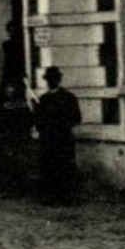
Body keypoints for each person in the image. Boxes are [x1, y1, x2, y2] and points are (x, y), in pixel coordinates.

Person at [34, 66, 81, 206]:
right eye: (49, 79)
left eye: (53, 79)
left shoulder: (68, 98)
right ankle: (50, 197)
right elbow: (38, 119)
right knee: (48, 168)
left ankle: (66, 197)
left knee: (65, 167)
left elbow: (77, 118)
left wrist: (62, 123)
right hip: (47, 139)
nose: (51, 82)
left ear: (58, 80)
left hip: (63, 138)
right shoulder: (44, 99)